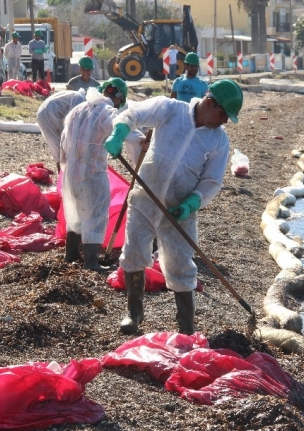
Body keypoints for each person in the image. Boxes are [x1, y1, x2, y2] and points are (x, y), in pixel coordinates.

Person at [103, 79, 243, 335]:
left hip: (180, 209)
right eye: (223, 114)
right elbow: (134, 113)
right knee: (133, 252)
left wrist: (193, 202)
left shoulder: (219, 141)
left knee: (180, 263)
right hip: (146, 197)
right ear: (210, 103)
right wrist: (119, 131)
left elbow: (212, 181)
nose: (224, 122)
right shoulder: (170, 109)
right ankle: (134, 314)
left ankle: (186, 327)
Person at [60, 78, 145, 271]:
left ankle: (71, 254)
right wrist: (142, 141)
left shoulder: (77, 110)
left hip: (71, 171)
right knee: (95, 215)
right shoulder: (108, 113)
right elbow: (124, 132)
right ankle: (91, 262)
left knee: (75, 212)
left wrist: (65, 165)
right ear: (119, 98)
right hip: (92, 173)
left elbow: (63, 140)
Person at [37, 88, 87, 173]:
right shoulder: (80, 100)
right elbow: (74, 122)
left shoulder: (75, 95)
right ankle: (63, 177)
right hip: (49, 114)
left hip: (43, 112)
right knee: (60, 147)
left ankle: (62, 176)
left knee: (58, 146)